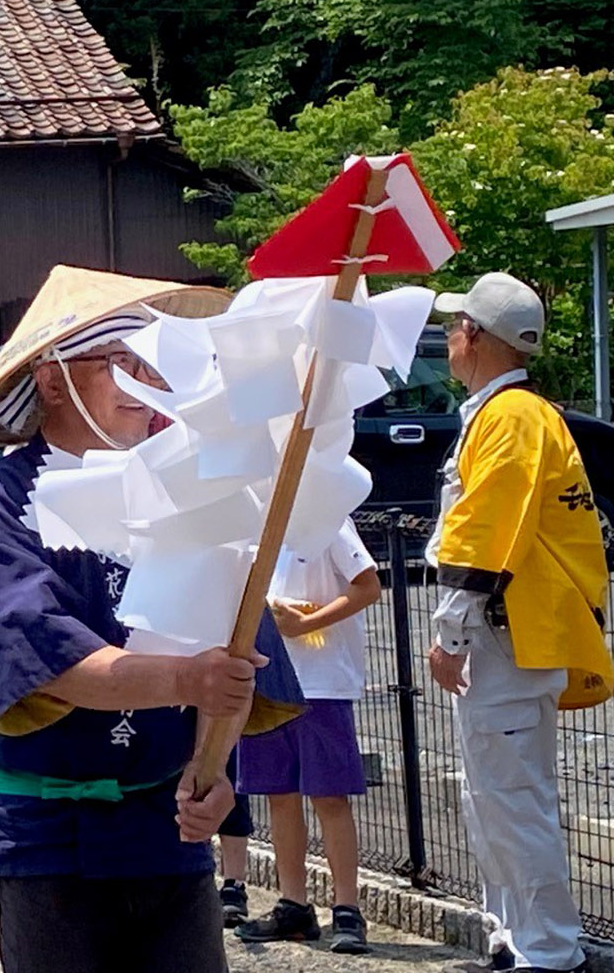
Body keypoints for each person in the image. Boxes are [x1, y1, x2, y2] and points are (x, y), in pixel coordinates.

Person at [0, 266, 262, 973]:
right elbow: (49, 661)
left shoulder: (187, 490)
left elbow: (235, 657)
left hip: (167, 832)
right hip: (49, 840)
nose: (147, 384)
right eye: (123, 363)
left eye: (156, 366)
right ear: (52, 381)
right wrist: (188, 678)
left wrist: (213, 769)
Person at [425, 272, 610, 973]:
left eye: (455, 325)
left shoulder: (508, 417)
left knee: (511, 801)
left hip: (505, 637)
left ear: (474, 335)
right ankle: (518, 939)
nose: (450, 336)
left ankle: (547, 951)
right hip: (516, 633)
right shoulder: (519, 413)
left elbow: (482, 530)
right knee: (497, 799)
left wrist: (449, 632)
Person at [232, 520, 380, 953]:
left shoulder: (328, 518)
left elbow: (368, 586)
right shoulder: (252, 520)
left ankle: (347, 908)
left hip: (322, 681)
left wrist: (307, 622)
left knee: (329, 796)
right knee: (279, 794)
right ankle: (293, 903)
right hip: (268, 675)